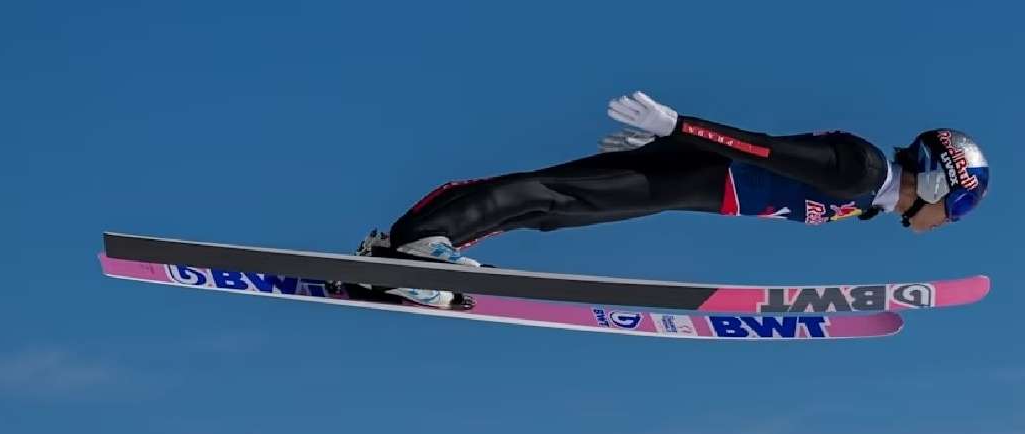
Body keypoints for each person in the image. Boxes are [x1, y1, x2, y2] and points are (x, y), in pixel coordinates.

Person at [359, 91, 991, 308]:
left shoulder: (868, 195)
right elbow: (765, 151)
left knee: (550, 211)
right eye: (957, 207)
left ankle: (405, 254)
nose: (949, 222)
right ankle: (414, 251)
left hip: (688, 182)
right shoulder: (861, 170)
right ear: (935, 180)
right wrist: (677, 130)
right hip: (693, 171)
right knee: (548, 196)